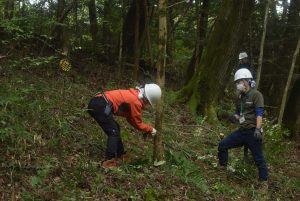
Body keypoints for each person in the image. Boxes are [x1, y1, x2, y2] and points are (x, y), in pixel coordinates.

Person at [87, 83, 161, 169]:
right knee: (113, 132)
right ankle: (109, 160)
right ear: (147, 99)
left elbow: (131, 119)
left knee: (115, 128)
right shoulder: (136, 101)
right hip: (100, 105)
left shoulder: (133, 95)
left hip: (98, 102)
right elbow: (137, 123)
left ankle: (120, 154)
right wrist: (150, 129)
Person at [218, 68, 268, 192]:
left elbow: (259, 113)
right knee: (223, 145)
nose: (238, 84)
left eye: (240, 81)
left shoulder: (256, 95)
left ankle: (264, 184)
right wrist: (232, 117)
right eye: (237, 82)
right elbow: (238, 113)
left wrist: (258, 129)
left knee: (259, 159)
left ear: (247, 81)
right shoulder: (240, 97)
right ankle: (222, 170)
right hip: (241, 131)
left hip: (253, 132)